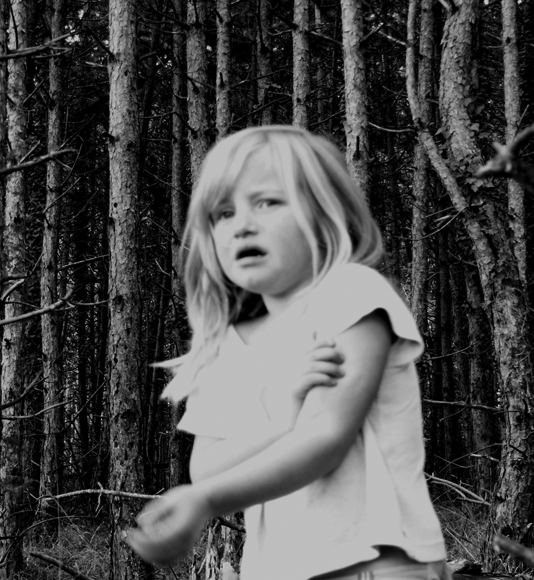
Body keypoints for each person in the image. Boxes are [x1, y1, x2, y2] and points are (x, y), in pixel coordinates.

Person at [127, 126, 448, 580]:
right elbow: (208, 468)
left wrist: (206, 502)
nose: (242, 224)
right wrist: (280, 415)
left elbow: (327, 436)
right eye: (223, 213)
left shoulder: (350, 294)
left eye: (267, 203)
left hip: (378, 561)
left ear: (324, 214)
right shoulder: (225, 344)